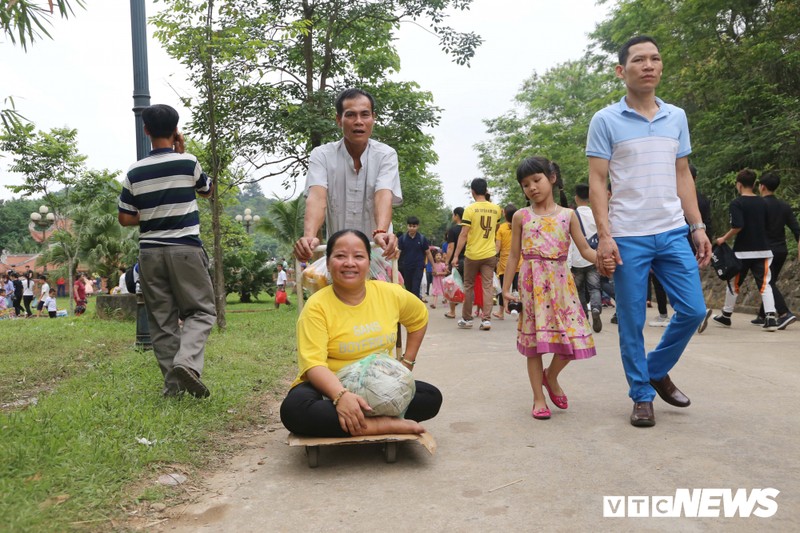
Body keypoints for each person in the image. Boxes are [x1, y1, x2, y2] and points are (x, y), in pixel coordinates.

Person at [587, 35, 711, 428]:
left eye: (655, 58)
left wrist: (698, 226)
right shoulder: (605, 120)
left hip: (673, 230)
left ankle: (654, 370)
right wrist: (605, 235)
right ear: (622, 71)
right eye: (639, 60)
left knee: (693, 309)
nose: (649, 65)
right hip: (627, 235)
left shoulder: (676, 116)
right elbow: (597, 181)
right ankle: (641, 396)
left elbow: (682, 174)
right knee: (631, 320)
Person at [280, 229, 442, 437]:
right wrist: (341, 396)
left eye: (358, 256)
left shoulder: (389, 293)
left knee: (430, 396)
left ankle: (354, 419)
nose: (349, 263)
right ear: (328, 263)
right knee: (295, 410)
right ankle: (381, 425)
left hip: (379, 383)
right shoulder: (316, 306)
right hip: (327, 387)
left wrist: (407, 363)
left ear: (368, 262)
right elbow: (314, 365)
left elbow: (419, 319)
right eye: (340, 256)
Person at [502, 156, 614, 420]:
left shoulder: (569, 215)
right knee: (535, 344)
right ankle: (538, 398)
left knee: (572, 340)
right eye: (525, 184)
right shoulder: (521, 216)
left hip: (562, 285)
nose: (532, 187)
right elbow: (512, 255)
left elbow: (585, 249)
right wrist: (506, 290)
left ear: (551, 178)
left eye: (537, 180)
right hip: (532, 286)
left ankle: (550, 376)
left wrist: (603, 258)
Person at [118, 103, 217, 399]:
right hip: (185, 249)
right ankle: (186, 362)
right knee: (201, 311)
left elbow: (125, 218)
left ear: (146, 130)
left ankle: (172, 388)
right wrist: (182, 149)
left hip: (149, 254)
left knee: (161, 320)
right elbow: (207, 191)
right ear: (175, 130)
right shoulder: (188, 162)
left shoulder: (134, 171)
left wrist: (150, 215)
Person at [294, 88, 402, 262]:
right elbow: (317, 197)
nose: (358, 121)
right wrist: (309, 236)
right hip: (339, 259)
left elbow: (383, 194)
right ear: (339, 120)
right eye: (350, 115)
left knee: (383, 289)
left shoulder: (386, 155)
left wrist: (381, 232)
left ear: (373, 118)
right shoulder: (321, 155)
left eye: (365, 115)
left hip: (379, 253)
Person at [712, 169, 779, 331]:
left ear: (739, 184)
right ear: (755, 184)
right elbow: (769, 225)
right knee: (765, 283)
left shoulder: (737, 203)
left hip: (742, 251)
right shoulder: (764, 202)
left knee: (734, 283)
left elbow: (737, 226)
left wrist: (723, 238)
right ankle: (770, 318)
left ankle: (726, 316)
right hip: (763, 249)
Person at [451, 179, 503, 331]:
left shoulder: (470, 209)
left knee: (469, 286)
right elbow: (496, 228)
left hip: (473, 254)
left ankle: (467, 319)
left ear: (472, 191)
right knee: (487, 287)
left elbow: (464, 234)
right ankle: (486, 320)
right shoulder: (496, 209)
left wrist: (456, 256)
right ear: (486, 190)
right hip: (489, 254)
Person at [752, 170, 799, 329]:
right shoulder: (784, 206)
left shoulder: (758, 205)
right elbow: (796, 230)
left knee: (767, 282)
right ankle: (762, 315)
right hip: (781, 251)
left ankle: (785, 314)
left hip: (766, 251)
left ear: (762, 187)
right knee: (770, 280)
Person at [569, 184, 603, 333]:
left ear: (576, 198)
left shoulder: (571, 215)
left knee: (579, 291)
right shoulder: (596, 213)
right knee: (594, 287)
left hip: (577, 258)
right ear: (589, 198)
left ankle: (584, 320)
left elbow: (569, 240)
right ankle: (595, 308)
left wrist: (568, 264)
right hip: (593, 256)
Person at [397, 216, 435, 300]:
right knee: (408, 289)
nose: (412, 228)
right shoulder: (402, 239)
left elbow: (428, 252)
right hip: (406, 267)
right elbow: (398, 252)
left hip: (418, 267)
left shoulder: (422, 239)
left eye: (414, 226)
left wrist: (433, 266)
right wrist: (394, 265)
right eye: (410, 226)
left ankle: (416, 309)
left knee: (415, 288)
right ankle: (410, 308)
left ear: (418, 226)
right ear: (407, 226)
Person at [494, 203, 520, 321]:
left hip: (505, 263)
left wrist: (493, 257)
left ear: (504, 214)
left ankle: (501, 311)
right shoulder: (520, 225)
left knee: (504, 288)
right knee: (518, 289)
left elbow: (497, 247)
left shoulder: (501, 228)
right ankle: (519, 312)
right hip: (520, 262)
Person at [443, 207, 465, 319]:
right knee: (468, 286)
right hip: (469, 259)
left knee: (452, 285)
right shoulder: (469, 229)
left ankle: (452, 311)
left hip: (456, 261)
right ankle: (467, 313)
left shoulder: (453, 230)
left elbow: (451, 247)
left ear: (456, 215)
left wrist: (447, 262)